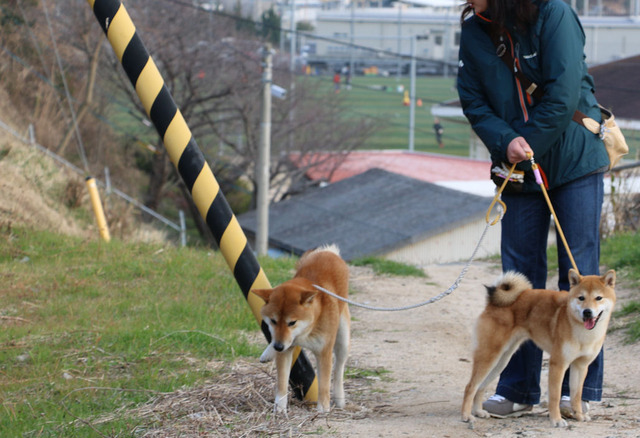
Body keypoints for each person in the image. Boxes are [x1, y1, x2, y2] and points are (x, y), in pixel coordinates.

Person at [457, 0, 610, 419]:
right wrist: (506, 142)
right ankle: (518, 388)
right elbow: (472, 99)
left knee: (578, 268)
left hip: (573, 157)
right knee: (520, 278)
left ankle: (580, 390)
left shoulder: (552, 12)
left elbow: (562, 95)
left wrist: (524, 147)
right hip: (518, 166)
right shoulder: (474, 31)